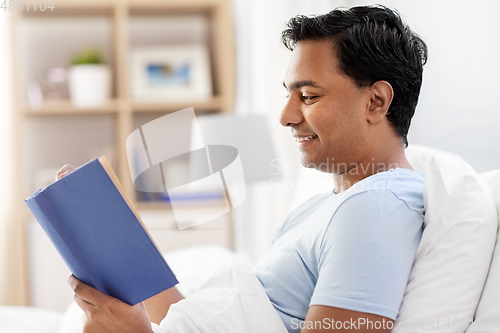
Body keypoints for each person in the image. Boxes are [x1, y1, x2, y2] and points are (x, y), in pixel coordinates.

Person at [57, 5, 427, 333]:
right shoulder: (323, 208)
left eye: (308, 96)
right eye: (288, 95)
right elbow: (201, 320)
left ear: (376, 101)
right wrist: (123, 240)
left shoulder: (376, 209)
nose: (286, 116)